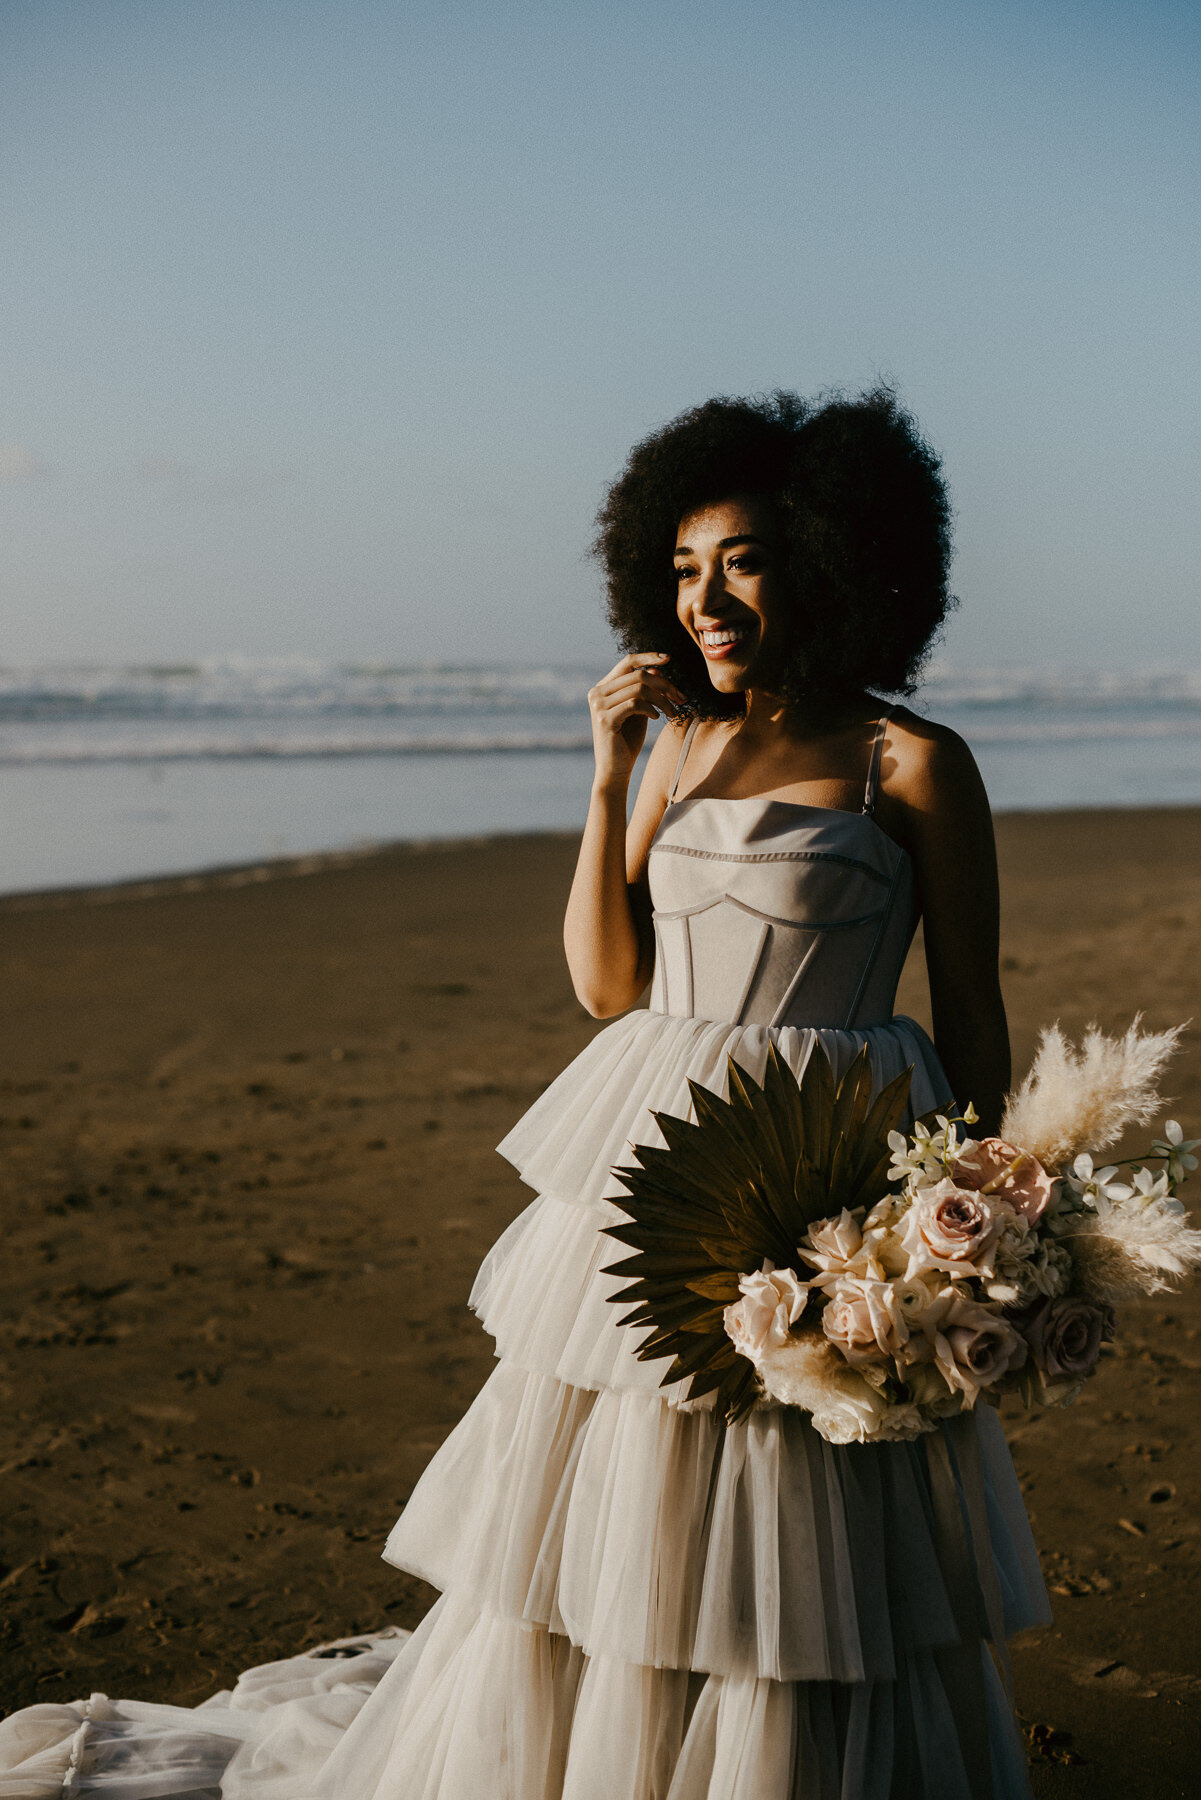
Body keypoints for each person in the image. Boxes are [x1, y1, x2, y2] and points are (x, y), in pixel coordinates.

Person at [0, 388, 1049, 1798]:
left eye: (737, 559)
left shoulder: (908, 761)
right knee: (632, 1460)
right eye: (679, 570)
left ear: (829, 557)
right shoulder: (673, 745)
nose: (704, 598)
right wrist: (608, 767)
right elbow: (606, 983)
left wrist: (971, 1209)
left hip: (834, 1144)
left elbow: (970, 1005)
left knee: (812, 1483)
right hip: (663, 1130)